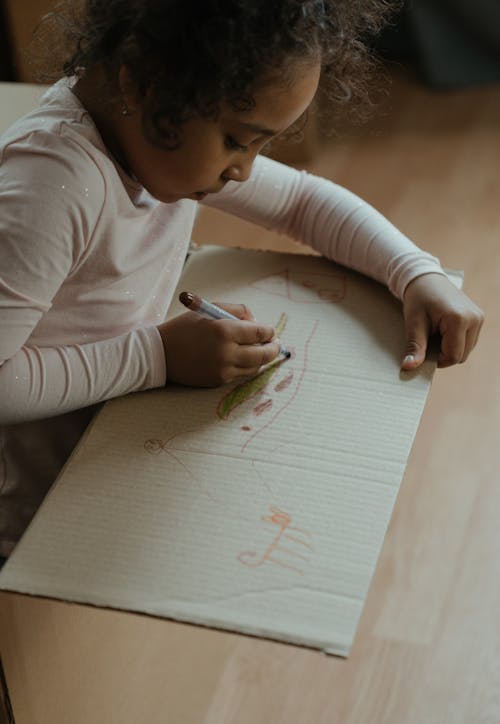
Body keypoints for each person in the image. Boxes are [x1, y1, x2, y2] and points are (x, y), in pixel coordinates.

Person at [0, 0, 484, 561]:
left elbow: (303, 202)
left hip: (120, 451)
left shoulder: (156, 125)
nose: (244, 171)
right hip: (38, 517)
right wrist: (157, 357)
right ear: (142, 83)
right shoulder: (53, 186)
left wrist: (414, 271)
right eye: (237, 141)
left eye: (260, 145)